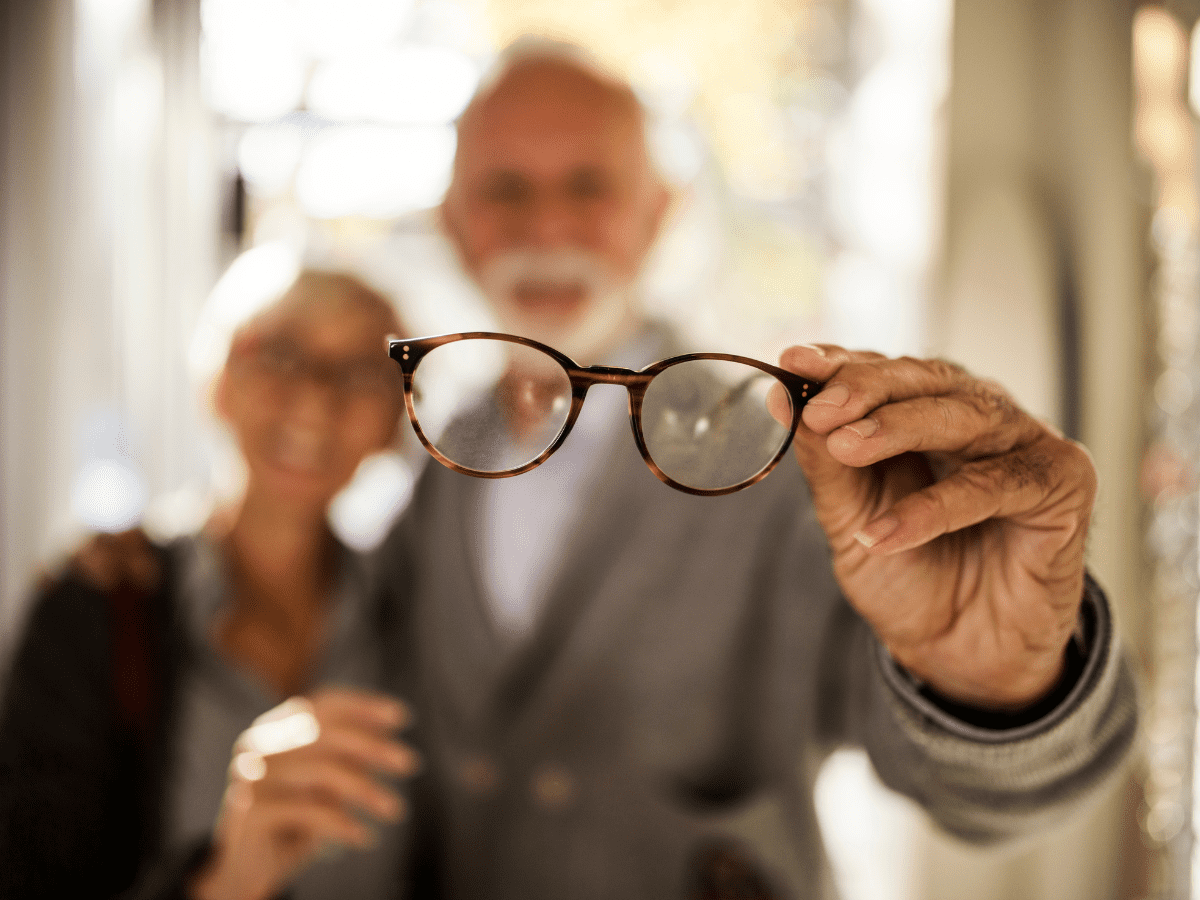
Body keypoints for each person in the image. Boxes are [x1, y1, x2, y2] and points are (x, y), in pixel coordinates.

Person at [371, 40, 1138, 900]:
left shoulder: (774, 445)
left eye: (588, 187)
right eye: (504, 189)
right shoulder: (443, 452)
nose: (545, 226)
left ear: (660, 213)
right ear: (452, 223)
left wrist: (998, 686)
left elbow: (978, 794)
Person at [0, 269, 421, 900]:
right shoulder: (100, 602)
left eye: (359, 372)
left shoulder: (415, 611)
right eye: (280, 356)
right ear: (218, 384)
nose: (311, 401)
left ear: (395, 416)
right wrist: (228, 877)